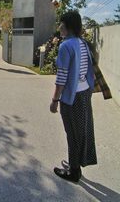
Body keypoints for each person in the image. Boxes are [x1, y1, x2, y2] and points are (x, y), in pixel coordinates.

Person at [50, 11, 97, 182]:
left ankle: (74, 171)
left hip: (72, 98)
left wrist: (54, 101)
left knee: (72, 133)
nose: (59, 27)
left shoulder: (65, 46)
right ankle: (74, 164)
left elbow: (62, 78)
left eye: (61, 24)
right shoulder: (83, 44)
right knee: (82, 132)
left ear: (68, 26)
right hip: (84, 95)